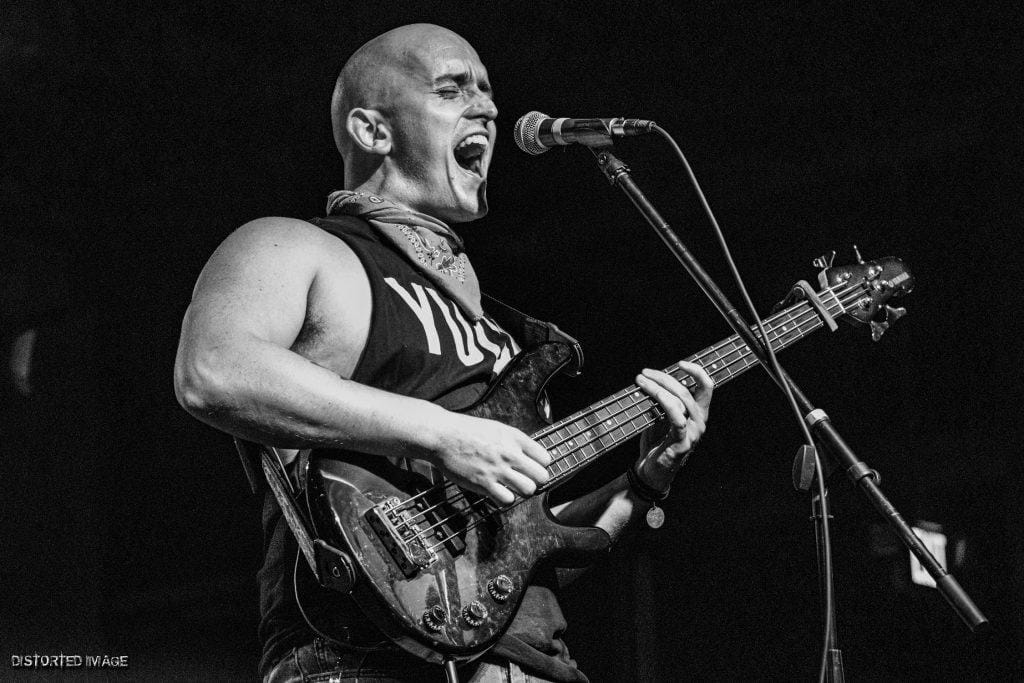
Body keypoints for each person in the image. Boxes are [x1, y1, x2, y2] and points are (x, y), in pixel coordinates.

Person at [174, 23, 713, 683]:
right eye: (453, 89)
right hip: (362, 661)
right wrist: (444, 435)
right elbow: (213, 370)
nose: (488, 108)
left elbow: (522, 552)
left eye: (487, 91)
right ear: (373, 131)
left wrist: (647, 477)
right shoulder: (298, 247)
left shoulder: (508, 336)